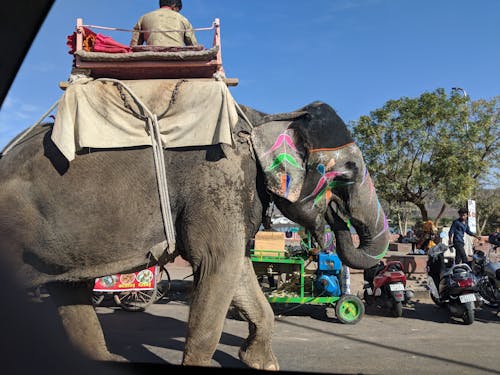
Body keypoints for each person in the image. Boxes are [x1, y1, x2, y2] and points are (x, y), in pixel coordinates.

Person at [130, 0, 198, 48]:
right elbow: (193, 46)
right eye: (178, 10)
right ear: (174, 6)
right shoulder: (183, 19)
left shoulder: (144, 17)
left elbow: (134, 45)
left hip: (152, 55)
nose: (177, 13)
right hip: (177, 56)